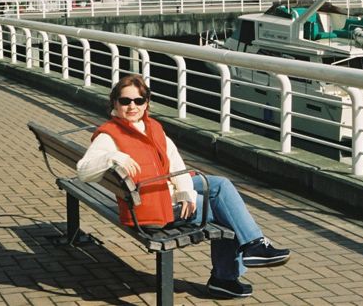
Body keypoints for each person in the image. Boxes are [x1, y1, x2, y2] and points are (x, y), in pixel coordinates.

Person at [77, 74, 290, 298]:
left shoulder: (151, 127)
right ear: (114, 102)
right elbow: (83, 170)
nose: (132, 106)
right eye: (125, 101)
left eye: (138, 101)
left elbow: (175, 163)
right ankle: (228, 274)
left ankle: (252, 247)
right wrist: (112, 157)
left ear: (146, 103)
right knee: (225, 211)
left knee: (221, 185)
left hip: (162, 192)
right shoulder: (109, 136)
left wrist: (185, 193)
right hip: (151, 209)